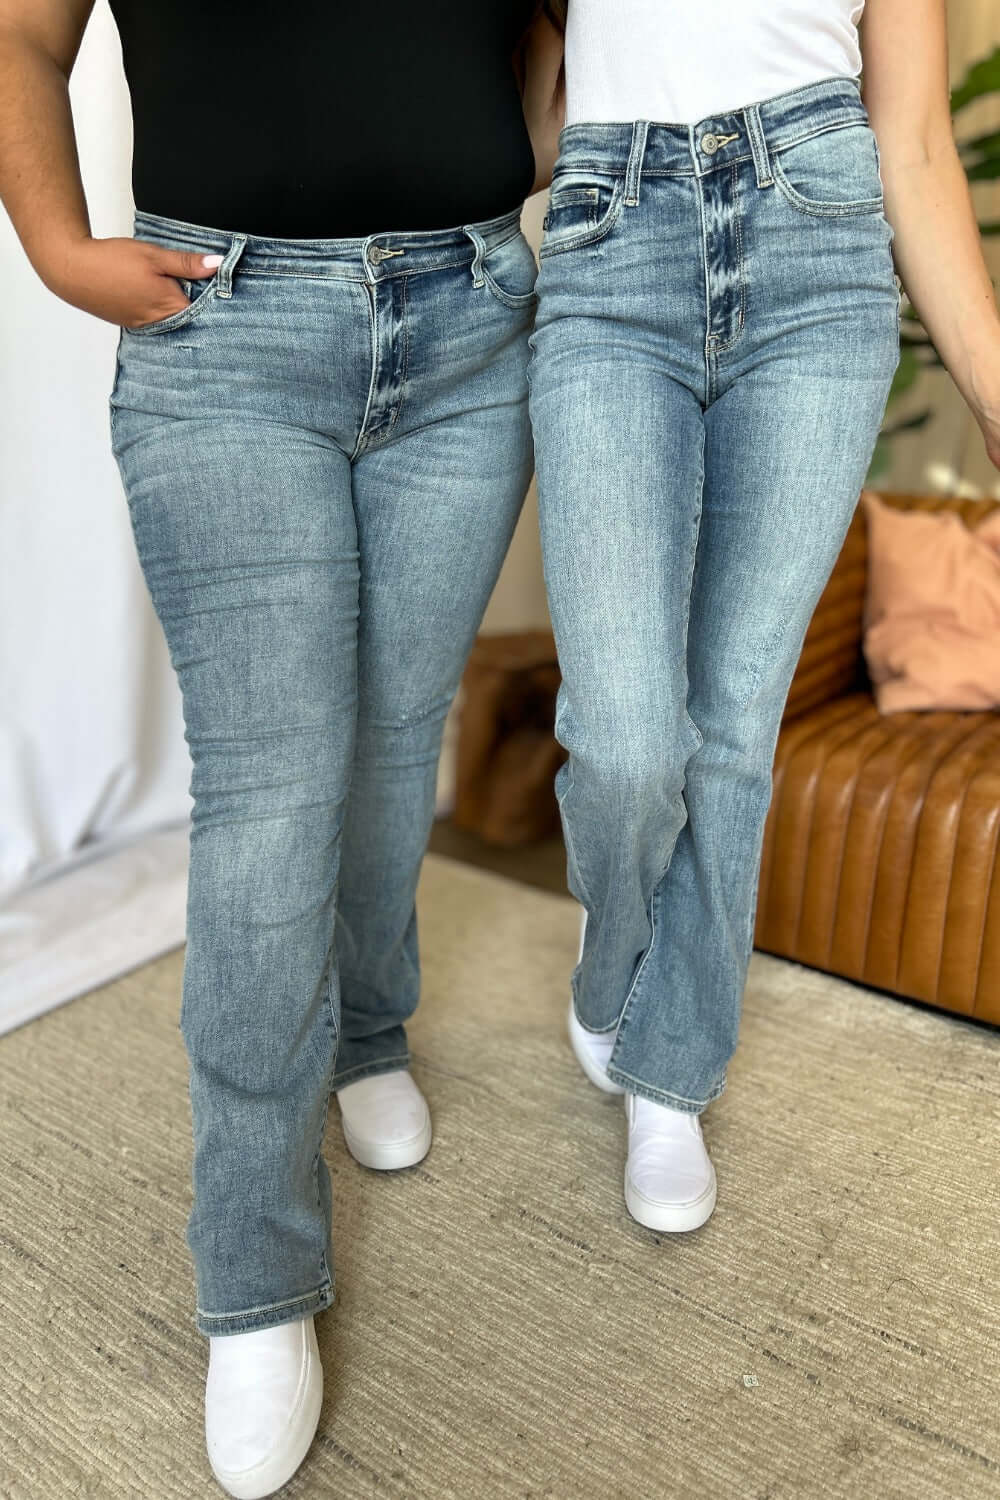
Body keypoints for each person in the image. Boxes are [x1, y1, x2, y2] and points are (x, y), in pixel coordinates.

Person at [0, 2, 564, 1494]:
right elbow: (19, 38)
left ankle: (370, 1032)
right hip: (227, 330)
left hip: (470, 329)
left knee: (394, 746)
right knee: (272, 797)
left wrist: (532, 194)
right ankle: (254, 1281)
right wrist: (59, 250)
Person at [529, 0, 1000, 1234]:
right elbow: (524, 112)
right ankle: (614, 946)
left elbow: (913, 145)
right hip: (608, 238)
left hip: (819, 253)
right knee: (627, 733)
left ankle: (671, 1071)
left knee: (732, 723)